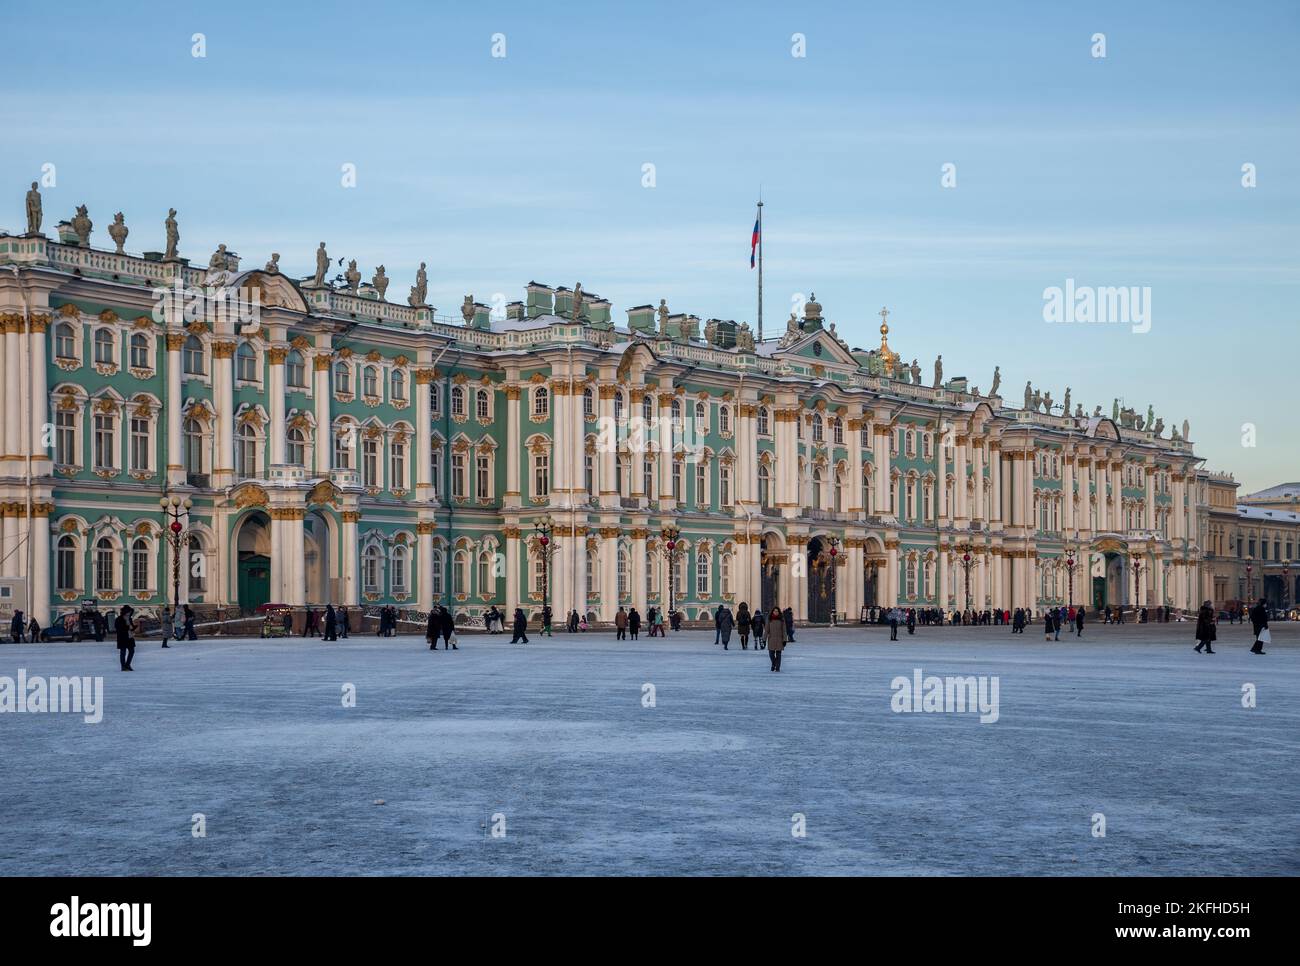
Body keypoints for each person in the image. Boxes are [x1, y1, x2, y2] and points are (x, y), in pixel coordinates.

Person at [765, 607, 786, 672]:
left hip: (779, 639)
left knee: (778, 654)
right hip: (771, 639)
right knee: (771, 654)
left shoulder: (782, 619)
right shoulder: (769, 619)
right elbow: (766, 630)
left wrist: (784, 639)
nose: (776, 612)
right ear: (772, 612)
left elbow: (784, 630)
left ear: (779, 612)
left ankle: (777, 667)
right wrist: (764, 639)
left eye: (777, 611)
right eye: (774, 611)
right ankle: (774, 663)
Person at [115, 606, 135, 671]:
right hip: (122, 637)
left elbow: (132, 627)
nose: (129, 613)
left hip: (130, 637)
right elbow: (119, 628)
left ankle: (128, 664)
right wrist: (128, 627)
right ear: (125, 612)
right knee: (123, 652)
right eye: (128, 612)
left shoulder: (130, 619)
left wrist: (135, 627)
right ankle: (123, 666)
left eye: (130, 612)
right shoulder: (119, 619)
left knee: (132, 651)